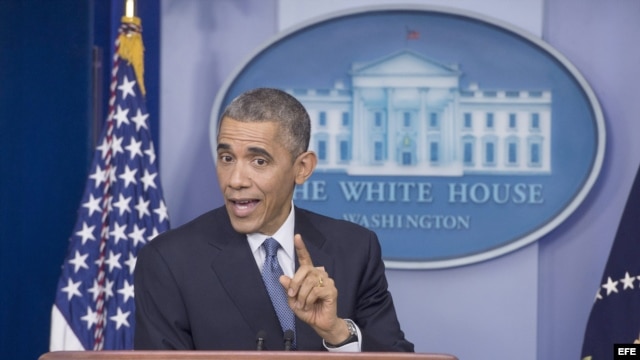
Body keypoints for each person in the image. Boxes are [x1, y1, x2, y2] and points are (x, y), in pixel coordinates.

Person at [134, 87, 414, 352]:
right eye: (227, 157)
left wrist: (338, 333)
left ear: (302, 168)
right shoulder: (168, 260)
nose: (235, 180)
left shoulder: (355, 249)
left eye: (259, 161)